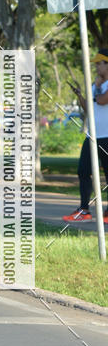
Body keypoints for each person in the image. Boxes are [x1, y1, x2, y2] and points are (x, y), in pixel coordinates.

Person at [62, 49, 108, 224]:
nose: (96, 67)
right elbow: (90, 108)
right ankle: (84, 210)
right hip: (93, 137)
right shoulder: (95, 84)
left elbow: (103, 100)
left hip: (107, 137)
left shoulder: (100, 85)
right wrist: (80, 95)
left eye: (99, 63)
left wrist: (96, 87)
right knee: (83, 171)